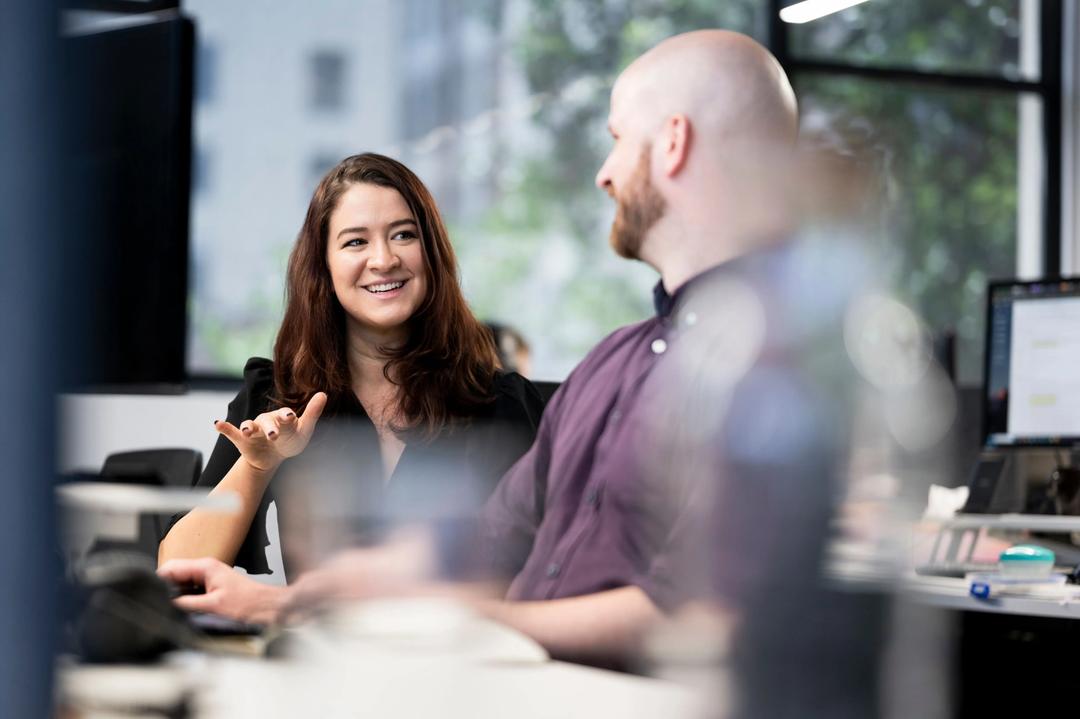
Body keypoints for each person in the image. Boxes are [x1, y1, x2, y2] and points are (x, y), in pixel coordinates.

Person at [160, 32, 888, 698]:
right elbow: (478, 540)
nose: (603, 174)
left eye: (615, 141)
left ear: (672, 144)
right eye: (353, 242)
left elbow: (694, 613)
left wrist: (442, 617)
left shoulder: (774, 364)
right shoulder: (610, 364)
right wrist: (304, 603)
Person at [158, 153, 545, 578]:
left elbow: (551, 569)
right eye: (355, 241)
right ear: (323, 265)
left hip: (462, 641)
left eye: (403, 235)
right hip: (319, 642)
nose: (383, 260)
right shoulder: (274, 396)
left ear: (431, 252)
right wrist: (257, 465)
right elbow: (178, 569)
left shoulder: (501, 403)